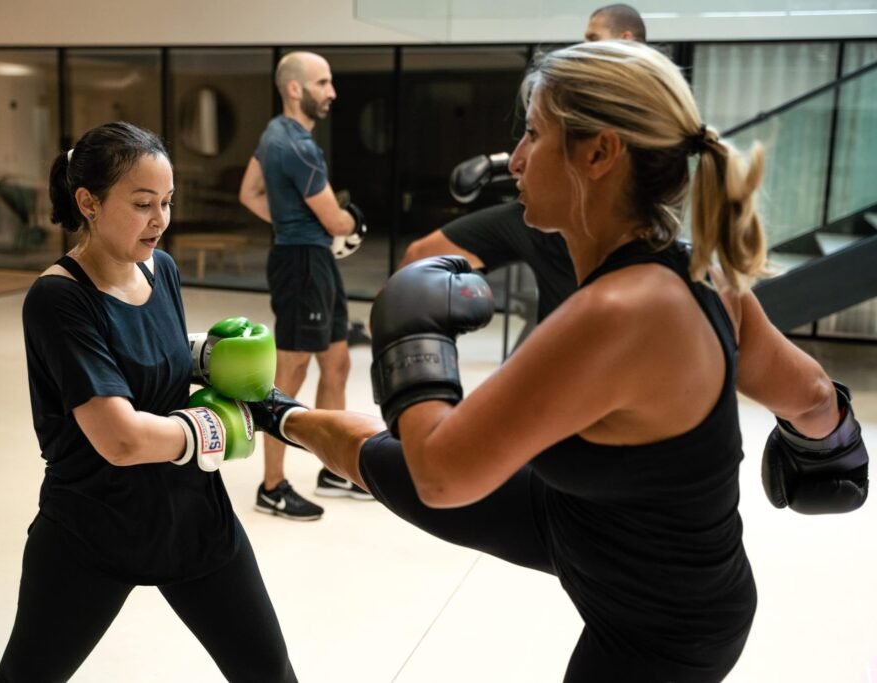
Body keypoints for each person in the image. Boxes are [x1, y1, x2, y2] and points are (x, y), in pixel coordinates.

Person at [246, 40, 868, 681]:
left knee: (423, 470)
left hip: (662, 636)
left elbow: (440, 473)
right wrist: (832, 449)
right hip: (587, 521)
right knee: (379, 458)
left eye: (534, 134)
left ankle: (271, 410)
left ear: (598, 153)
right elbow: (813, 395)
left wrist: (411, 335)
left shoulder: (615, 314)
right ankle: (270, 409)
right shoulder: (702, 274)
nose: (515, 159)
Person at [0, 122, 297, 683]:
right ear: (89, 202)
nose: (161, 219)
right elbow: (122, 439)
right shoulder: (58, 298)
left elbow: (153, 358)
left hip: (193, 518)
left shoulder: (163, 268)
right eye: (142, 204)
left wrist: (213, 359)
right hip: (94, 528)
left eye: (167, 202)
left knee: (269, 673)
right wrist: (216, 426)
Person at [399, 3, 647, 341]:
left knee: (569, 342)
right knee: (420, 257)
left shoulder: (634, 103)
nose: (583, 46)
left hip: (581, 218)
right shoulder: (583, 89)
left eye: (592, 38)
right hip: (549, 212)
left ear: (626, 39)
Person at [239, 51, 372, 521]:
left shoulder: (273, 134)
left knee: (337, 362)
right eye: (323, 83)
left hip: (312, 259)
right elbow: (336, 220)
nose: (332, 92)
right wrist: (353, 221)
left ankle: (333, 471)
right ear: (295, 89)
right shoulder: (297, 145)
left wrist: (292, 222)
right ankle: (272, 487)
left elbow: (249, 193)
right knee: (291, 371)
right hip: (301, 266)